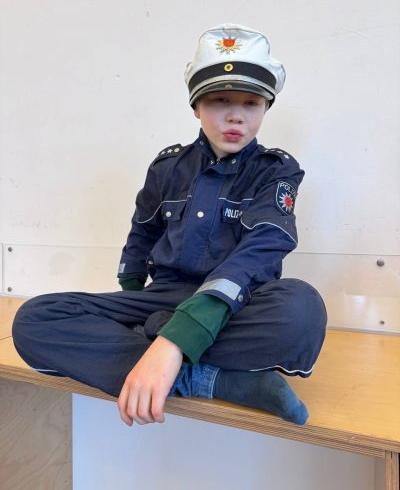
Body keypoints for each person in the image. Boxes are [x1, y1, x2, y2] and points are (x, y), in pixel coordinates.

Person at [12, 23, 327, 427]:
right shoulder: (167, 167)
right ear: (196, 106)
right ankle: (213, 380)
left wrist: (171, 336)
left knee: (302, 310)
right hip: (161, 299)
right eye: (219, 100)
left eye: (251, 103)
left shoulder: (276, 171)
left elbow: (262, 248)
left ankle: (159, 346)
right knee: (34, 320)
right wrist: (131, 300)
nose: (236, 115)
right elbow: (141, 234)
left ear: (265, 108)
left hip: (236, 304)